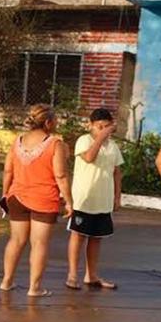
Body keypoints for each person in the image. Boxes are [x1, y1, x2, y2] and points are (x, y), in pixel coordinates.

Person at [0, 104, 73, 297]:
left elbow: (8, 170)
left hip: (16, 196)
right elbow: (61, 175)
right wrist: (69, 201)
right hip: (44, 199)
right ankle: (35, 287)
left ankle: (6, 281)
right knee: (39, 244)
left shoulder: (18, 141)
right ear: (48, 122)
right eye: (55, 120)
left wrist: (5, 194)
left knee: (16, 240)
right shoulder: (55, 143)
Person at [66, 108, 123, 290]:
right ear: (91, 126)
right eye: (100, 127)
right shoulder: (84, 140)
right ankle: (72, 275)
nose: (104, 130)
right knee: (78, 235)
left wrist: (117, 197)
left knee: (97, 238)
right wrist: (100, 137)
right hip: (84, 198)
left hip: (103, 199)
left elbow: (116, 172)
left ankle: (91, 275)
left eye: (107, 127)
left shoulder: (113, 146)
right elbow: (89, 157)